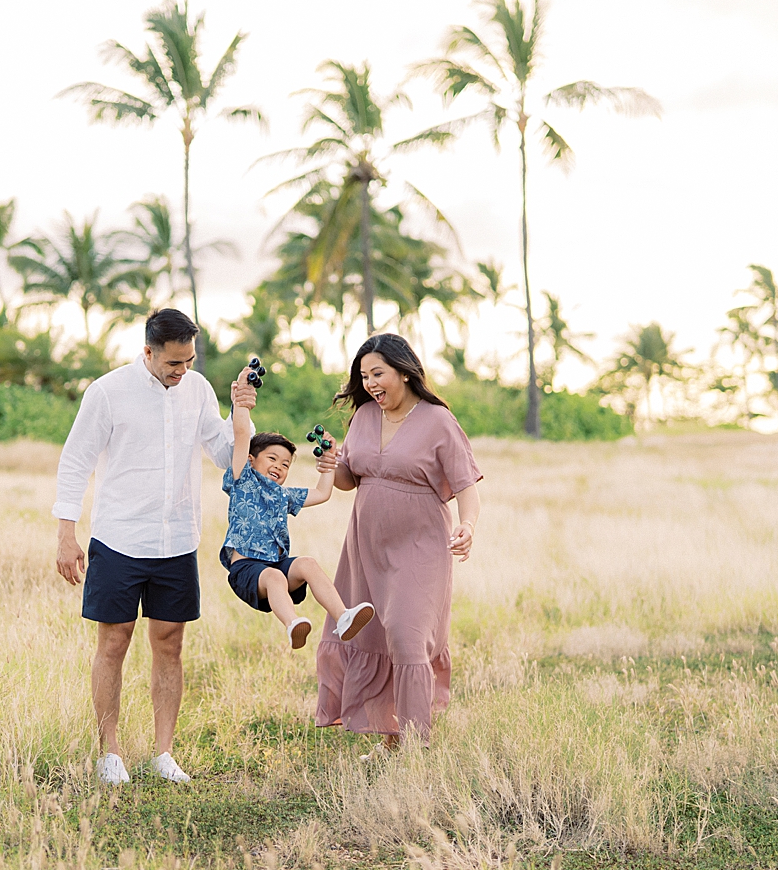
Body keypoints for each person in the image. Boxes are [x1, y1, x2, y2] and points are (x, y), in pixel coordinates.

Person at [52, 308, 252, 787]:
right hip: (119, 538)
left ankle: (164, 754)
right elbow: (75, 461)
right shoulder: (106, 392)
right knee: (114, 641)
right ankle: (110, 753)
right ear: (148, 352)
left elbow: (228, 458)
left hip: (176, 540)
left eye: (189, 361)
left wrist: (240, 411)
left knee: (170, 644)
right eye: (173, 363)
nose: (182, 371)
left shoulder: (198, 390)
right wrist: (65, 534)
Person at [315, 333, 483, 751]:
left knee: (409, 638)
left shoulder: (437, 420)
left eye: (378, 373)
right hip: (365, 548)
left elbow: (466, 485)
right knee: (373, 637)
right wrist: (331, 463)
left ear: (404, 372)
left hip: (420, 548)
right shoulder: (364, 418)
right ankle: (390, 737)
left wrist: (468, 525)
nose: (371, 383)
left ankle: (416, 745)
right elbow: (350, 480)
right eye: (364, 376)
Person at [220, 365, 376, 649]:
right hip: (247, 569)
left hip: (277, 565)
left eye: (285, 464)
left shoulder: (283, 496)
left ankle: (343, 617)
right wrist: (242, 397)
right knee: (274, 577)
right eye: (272, 459)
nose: (279, 467)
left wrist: (329, 457)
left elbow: (322, 492)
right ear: (252, 460)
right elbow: (242, 432)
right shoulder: (243, 478)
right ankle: (293, 623)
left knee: (307, 564)